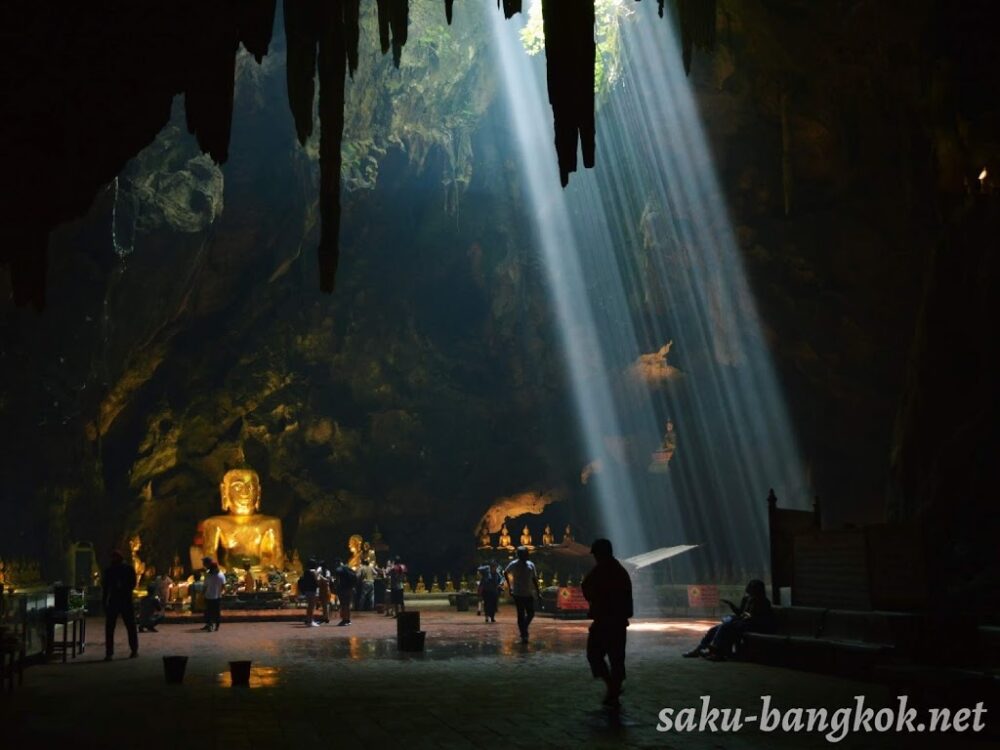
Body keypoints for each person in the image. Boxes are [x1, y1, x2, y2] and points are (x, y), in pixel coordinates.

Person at [581, 538, 633, 708]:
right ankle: (613, 689)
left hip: (605, 621)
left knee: (594, 654)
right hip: (618, 622)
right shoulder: (619, 571)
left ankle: (612, 687)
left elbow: (586, 587)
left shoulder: (602, 571)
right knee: (616, 658)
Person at [683, 579, 774, 660]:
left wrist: (743, 618)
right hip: (743, 622)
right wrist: (731, 605)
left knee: (725, 627)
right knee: (714, 629)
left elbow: (759, 619)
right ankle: (699, 649)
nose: (749, 588)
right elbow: (740, 613)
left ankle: (717, 651)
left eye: (752, 587)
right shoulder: (747, 599)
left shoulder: (764, 602)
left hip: (753, 625)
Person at [102, 549, 139, 660]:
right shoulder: (126, 569)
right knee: (129, 626)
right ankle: (133, 650)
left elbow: (106, 588)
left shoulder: (111, 570)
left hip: (118, 599)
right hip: (124, 599)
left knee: (113, 627)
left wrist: (104, 601)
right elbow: (132, 584)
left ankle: (110, 652)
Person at [504, 546, 540, 643]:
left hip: (528, 593)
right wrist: (510, 586)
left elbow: (534, 579)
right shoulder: (514, 564)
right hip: (518, 593)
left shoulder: (530, 565)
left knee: (531, 613)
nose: (526, 556)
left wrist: (538, 591)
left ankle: (524, 628)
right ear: (519, 555)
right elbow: (505, 572)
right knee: (520, 614)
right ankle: (524, 634)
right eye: (524, 554)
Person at [202, 559, 225, 632]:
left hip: (209, 596)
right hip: (217, 597)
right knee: (216, 612)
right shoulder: (221, 575)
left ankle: (210, 625)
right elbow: (223, 586)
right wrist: (220, 592)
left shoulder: (208, 575)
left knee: (209, 612)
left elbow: (205, 587)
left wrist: (202, 594)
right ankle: (216, 626)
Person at [333, 558, 357, 626]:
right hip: (349, 588)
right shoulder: (348, 568)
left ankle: (344, 620)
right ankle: (348, 620)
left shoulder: (340, 569)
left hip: (343, 589)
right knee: (347, 605)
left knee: (343, 605)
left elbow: (337, 577)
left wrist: (336, 586)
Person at [298, 559, 320, 627]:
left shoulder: (306, 572)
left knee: (309, 606)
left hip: (307, 590)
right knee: (312, 606)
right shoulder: (313, 572)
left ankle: (308, 620)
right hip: (313, 590)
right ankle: (311, 621)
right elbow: (317, 581)